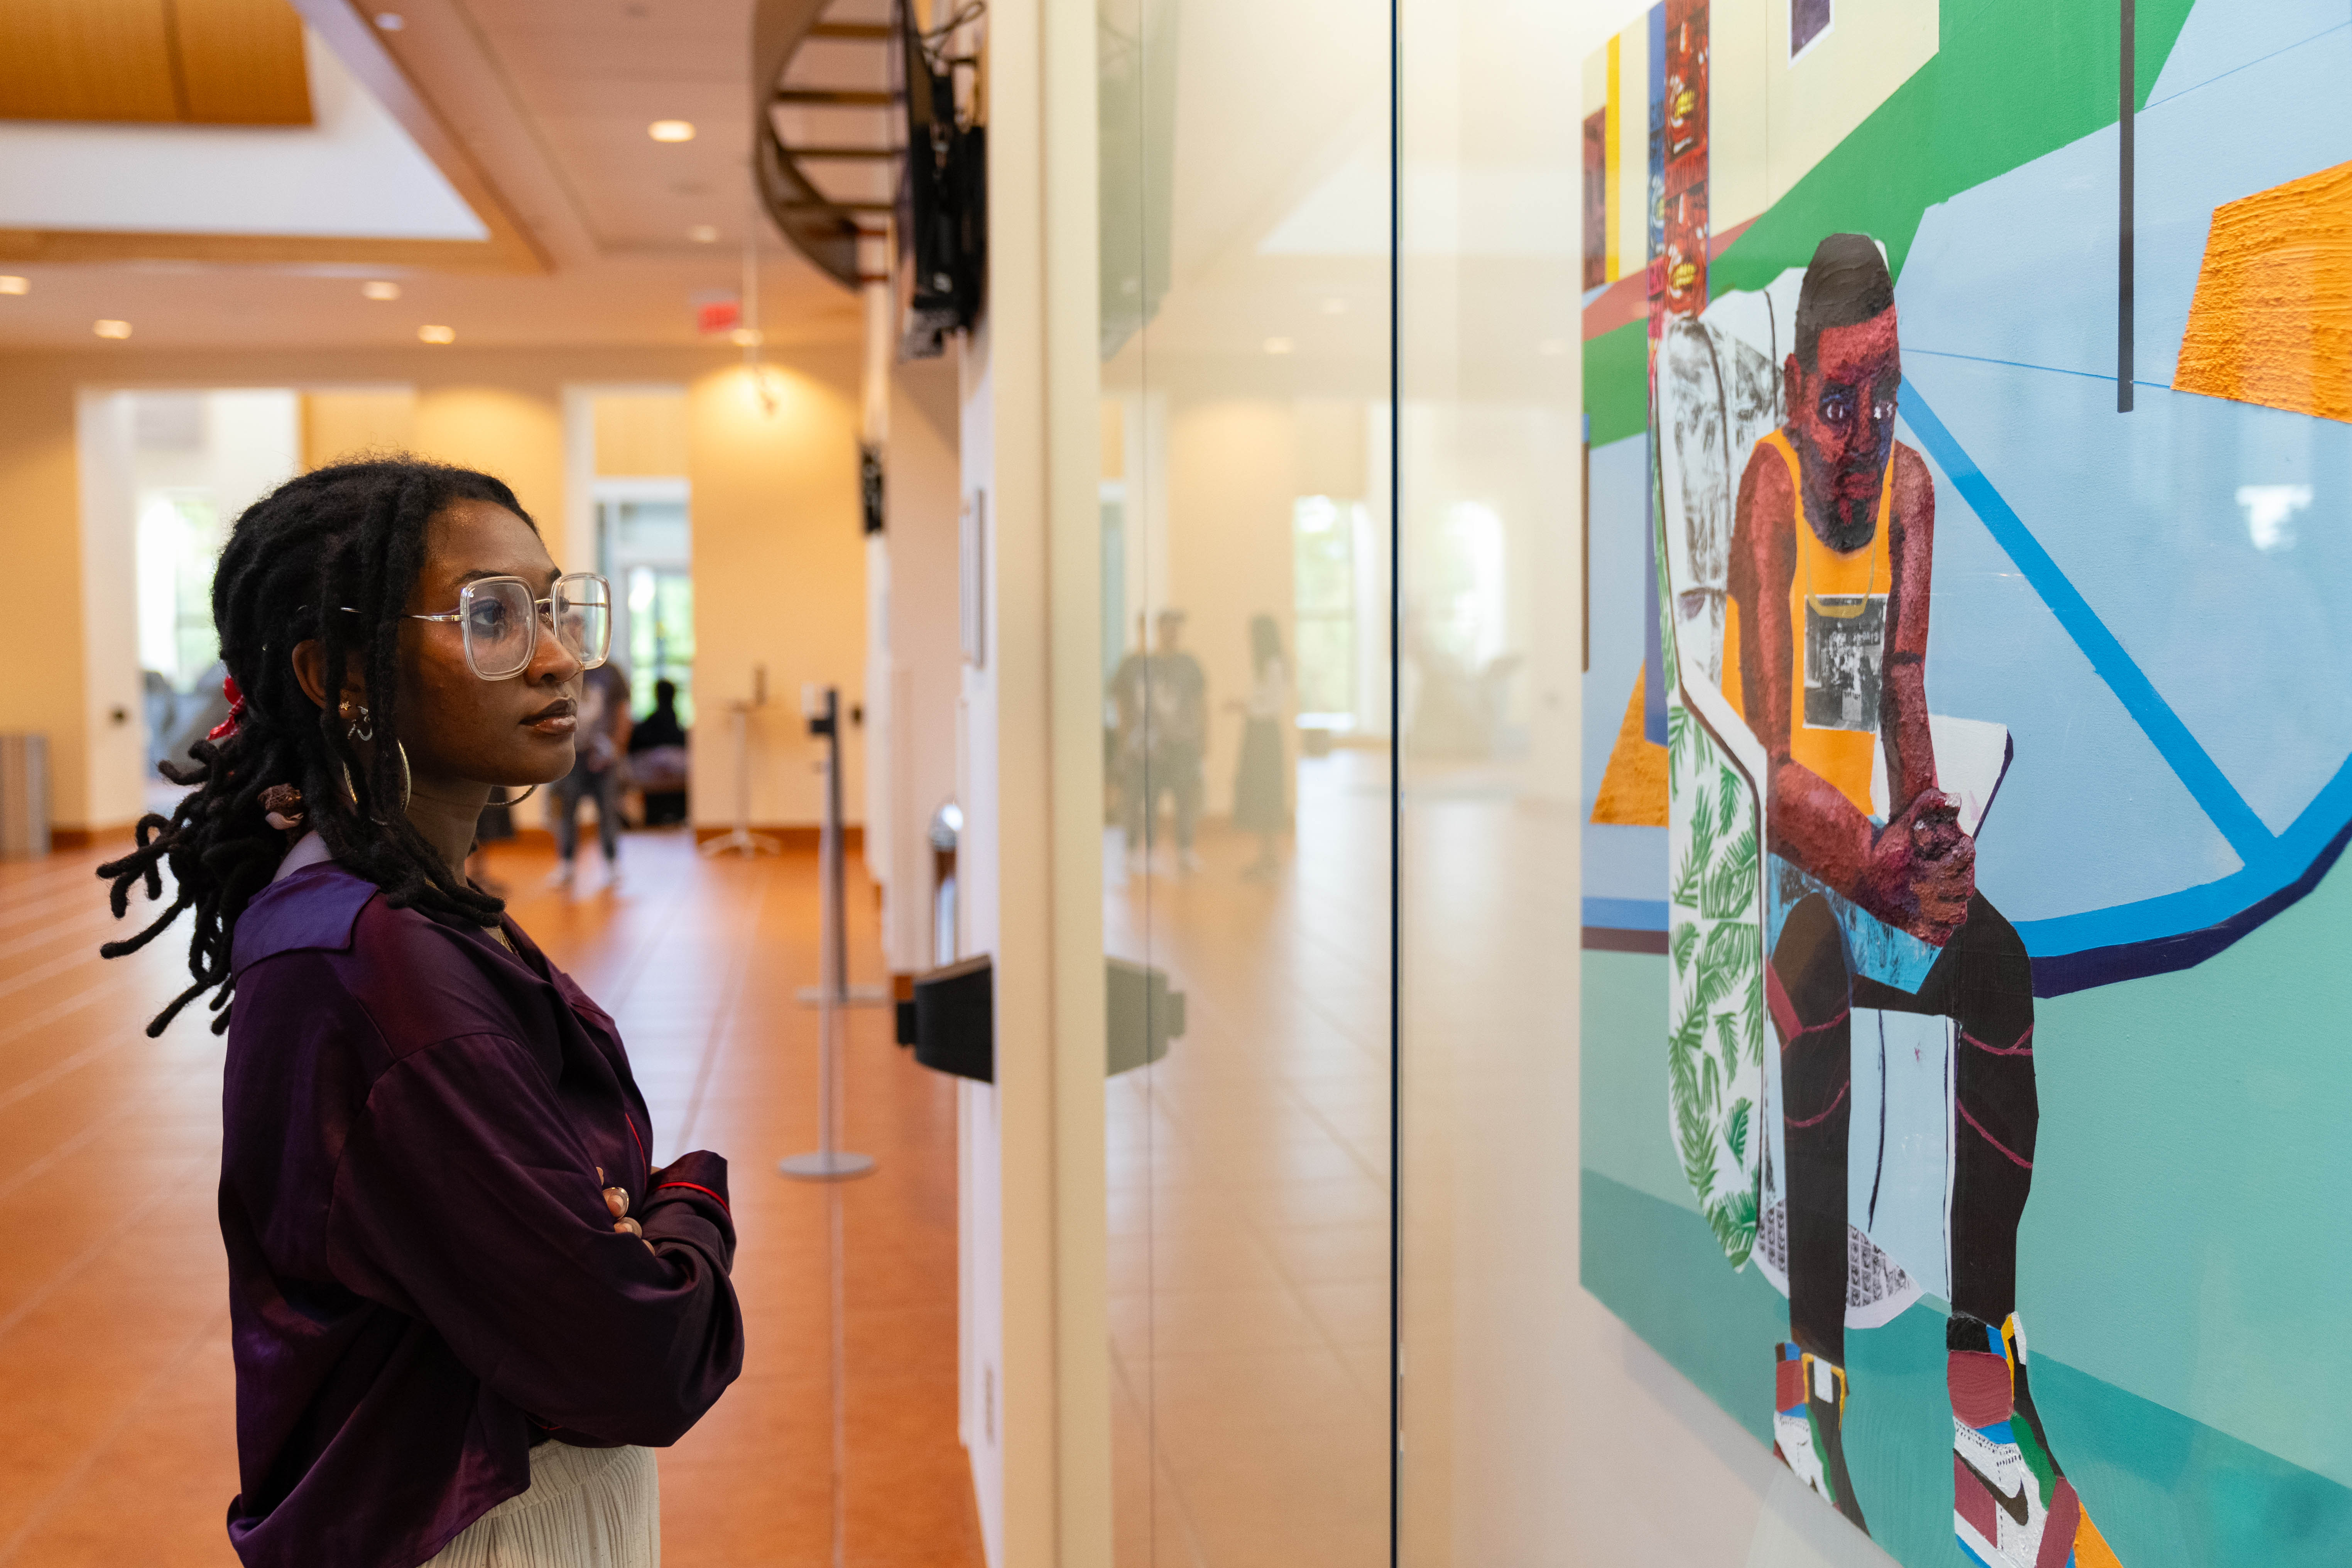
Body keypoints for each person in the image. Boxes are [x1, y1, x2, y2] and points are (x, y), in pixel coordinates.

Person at [95, 459, 744, 1568]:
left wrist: (612, 1224)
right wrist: (690, 1202)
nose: (558, 656)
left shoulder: (400, 902)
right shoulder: (376, 961)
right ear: (339, 674)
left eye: (553, 607)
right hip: (466, 1526)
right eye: (490, 617)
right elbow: (642, 1358)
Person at [1723, 234, 2112, 1568]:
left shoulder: (1908, 491)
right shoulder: (1771, 487)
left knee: (1995, 966)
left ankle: (1982, 1422)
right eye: (1840, 397)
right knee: (1815, 975)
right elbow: (1768, 759)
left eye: (1885, 394)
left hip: (1873, 859)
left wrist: (1929, 833)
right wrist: (1869, 861)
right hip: (1786, 868)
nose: (1863, 428)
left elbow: (1899, 689)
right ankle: (1807, 1400)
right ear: (1795, 388)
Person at [1126, 609, 1207, 873]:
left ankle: (1185, 851)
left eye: (1176, 628)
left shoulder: (1189, 664)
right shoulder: (1144, 664)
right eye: (1167, 628)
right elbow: (1127, 696)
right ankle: (1145, 852)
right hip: (1151, 747)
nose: (1172, 633)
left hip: (1183, 745)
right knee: (1149, 801)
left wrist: (1204, 738)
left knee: (1185, 800)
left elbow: (1201, 702)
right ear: (1159, 630)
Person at [550, 657, 632, 890]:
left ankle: (612, 863)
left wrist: (616, 748)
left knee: (608, 810)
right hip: (571, 755)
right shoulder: (562, 668)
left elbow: (623, 711)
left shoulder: (611, 672)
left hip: (604, 757)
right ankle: (566, 864)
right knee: (566, 811)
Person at [1227, 614, 1289, 879]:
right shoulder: (1263, 666)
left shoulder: (1275, 666)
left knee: (1267, 794)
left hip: (1266, 736)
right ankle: (1266, 858)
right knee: (1258, 793)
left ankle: (1270, 860)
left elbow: (1273, 706)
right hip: (1256, 733)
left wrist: (1244, 707)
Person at [626, 677, 690, 828]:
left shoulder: (652, 723)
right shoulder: (673, 723)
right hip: (669, 768)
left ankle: (659, 815)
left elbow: (635, 743)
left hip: (654, 768)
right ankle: (675, 814)